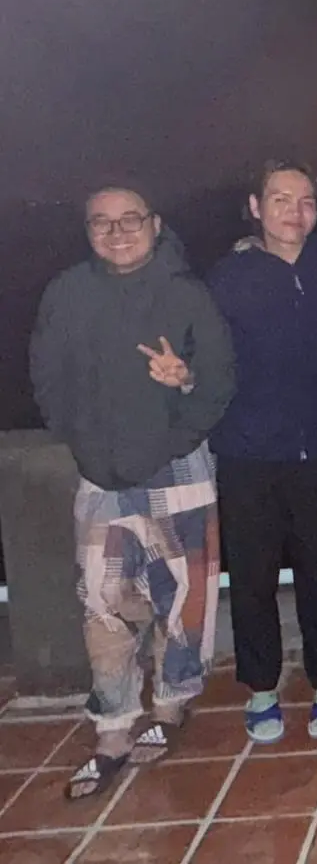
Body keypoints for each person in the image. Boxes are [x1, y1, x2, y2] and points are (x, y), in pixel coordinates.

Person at [30, 185, 235, 799]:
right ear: (88, 230)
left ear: (155, 223)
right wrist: (84, 445)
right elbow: (47, 379)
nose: (117, 232)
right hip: (102, 476)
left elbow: (220, 381)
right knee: (102, 601)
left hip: (178, 468)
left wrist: (185, 381)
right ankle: (113, 726)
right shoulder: (67, 293)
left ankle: (170, 705)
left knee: (183, 600)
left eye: (130, 220)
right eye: (103, 223)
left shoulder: (188, 294)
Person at [208, 161, 317, 745]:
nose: (295, 212)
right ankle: (262, 687)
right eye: (280, 199)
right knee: (252, 577)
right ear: (255, 206)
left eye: (306, 201)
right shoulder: (227, 278)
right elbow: (204, 355)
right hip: (247, 451)